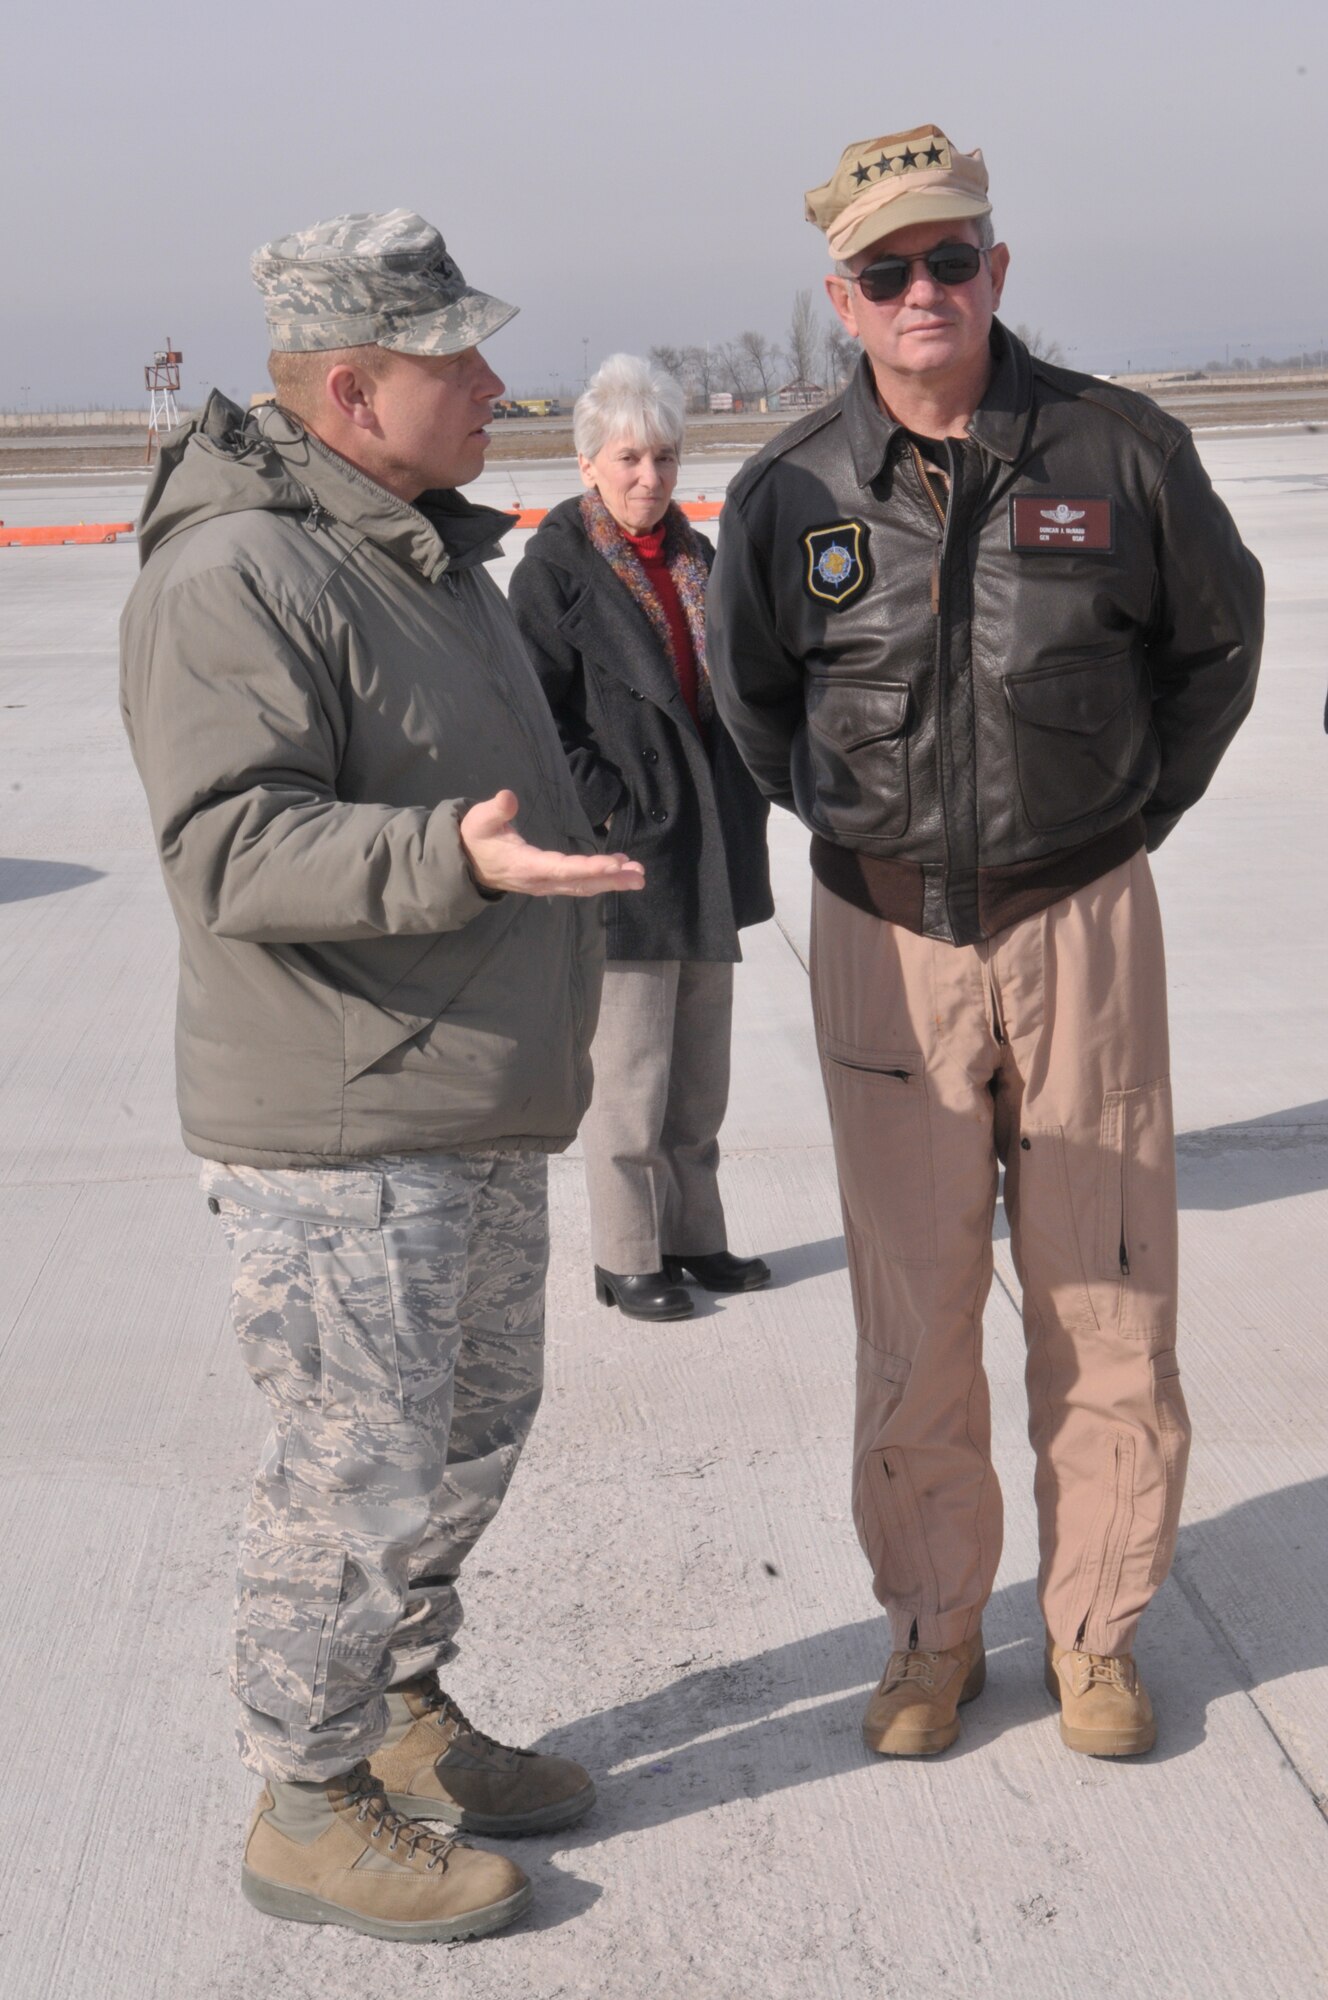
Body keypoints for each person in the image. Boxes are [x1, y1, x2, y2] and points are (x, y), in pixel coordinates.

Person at [119, 210, 646, 1944]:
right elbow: (229, 848)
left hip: (465, 1097)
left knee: (463, 1441)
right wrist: (457, 862)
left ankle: (402, 1713)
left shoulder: (414, 549)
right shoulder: (236, 575)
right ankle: (306, 1793)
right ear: (353, 390)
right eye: (456, 362)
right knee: (353, 1472)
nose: (497, 383)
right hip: (344, 1124)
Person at [708, 127, 1262, 1761]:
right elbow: (752, 704)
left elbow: (1209, 652)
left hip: (1079, 922)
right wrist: (862, 830)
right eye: (886, 271)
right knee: (915, 1306)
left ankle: (1092, 1636)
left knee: (1102, 1290)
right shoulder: (787, 490)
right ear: (842, 302)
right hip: (885, 939)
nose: (922, 290)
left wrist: (1113, 830)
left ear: (996, 272)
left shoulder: (1119, 451)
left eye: (949, 258)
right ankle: (932, 1633)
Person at [509, 354, 774, 1321]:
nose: (648, 479)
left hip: (707, 851)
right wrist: (609, 808)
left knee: (699, 1078)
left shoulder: (699, 563)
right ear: (587, 464)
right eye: (628, 459)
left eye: (663, 458)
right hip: (627, 855)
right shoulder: (552, 577)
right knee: (630, 1081)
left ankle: (694, 1236)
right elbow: (534, 726)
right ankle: (627, 1257)